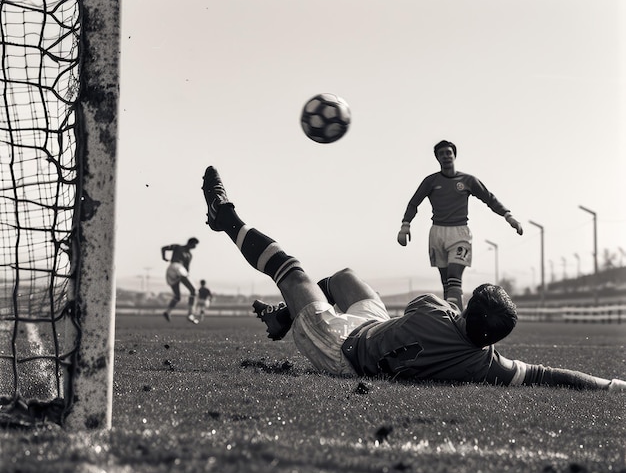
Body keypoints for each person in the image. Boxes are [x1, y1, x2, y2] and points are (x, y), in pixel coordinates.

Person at [201, 166, 626, 392]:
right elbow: (547, 375)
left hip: (341, 349)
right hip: (372, 330)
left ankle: (226, 219)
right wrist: (610, 386)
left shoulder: (432, 313)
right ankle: (284, 315)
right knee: (347, 278)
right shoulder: (484, 363)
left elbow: (433, 306)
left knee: (291, 269)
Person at [397, 140, 523, 309]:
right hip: (437, 234)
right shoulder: (431, 181)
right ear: (437, 158)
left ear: (454, 155)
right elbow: (414, 203)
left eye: (448, 153)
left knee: (454, 278)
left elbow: (489, 198)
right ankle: (453, 321)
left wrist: (508, 216)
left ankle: (459, 324)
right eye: (441, 154)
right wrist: (405, 225)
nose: (445, 156)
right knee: (447, 285)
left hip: (460, 233)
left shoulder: (468, 180)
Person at [161, 237, 200, 324]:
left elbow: (187, 268)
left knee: (177, 296)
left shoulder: (189, 255)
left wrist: (164, 257)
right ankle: (190, 314)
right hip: (176, 267)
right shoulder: (178, 247)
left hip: (172, 270)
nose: (195, 247)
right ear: (191, 243)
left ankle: (167, 312)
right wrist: (164, 257)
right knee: (194, 291)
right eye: (195, 245)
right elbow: (164, 248)